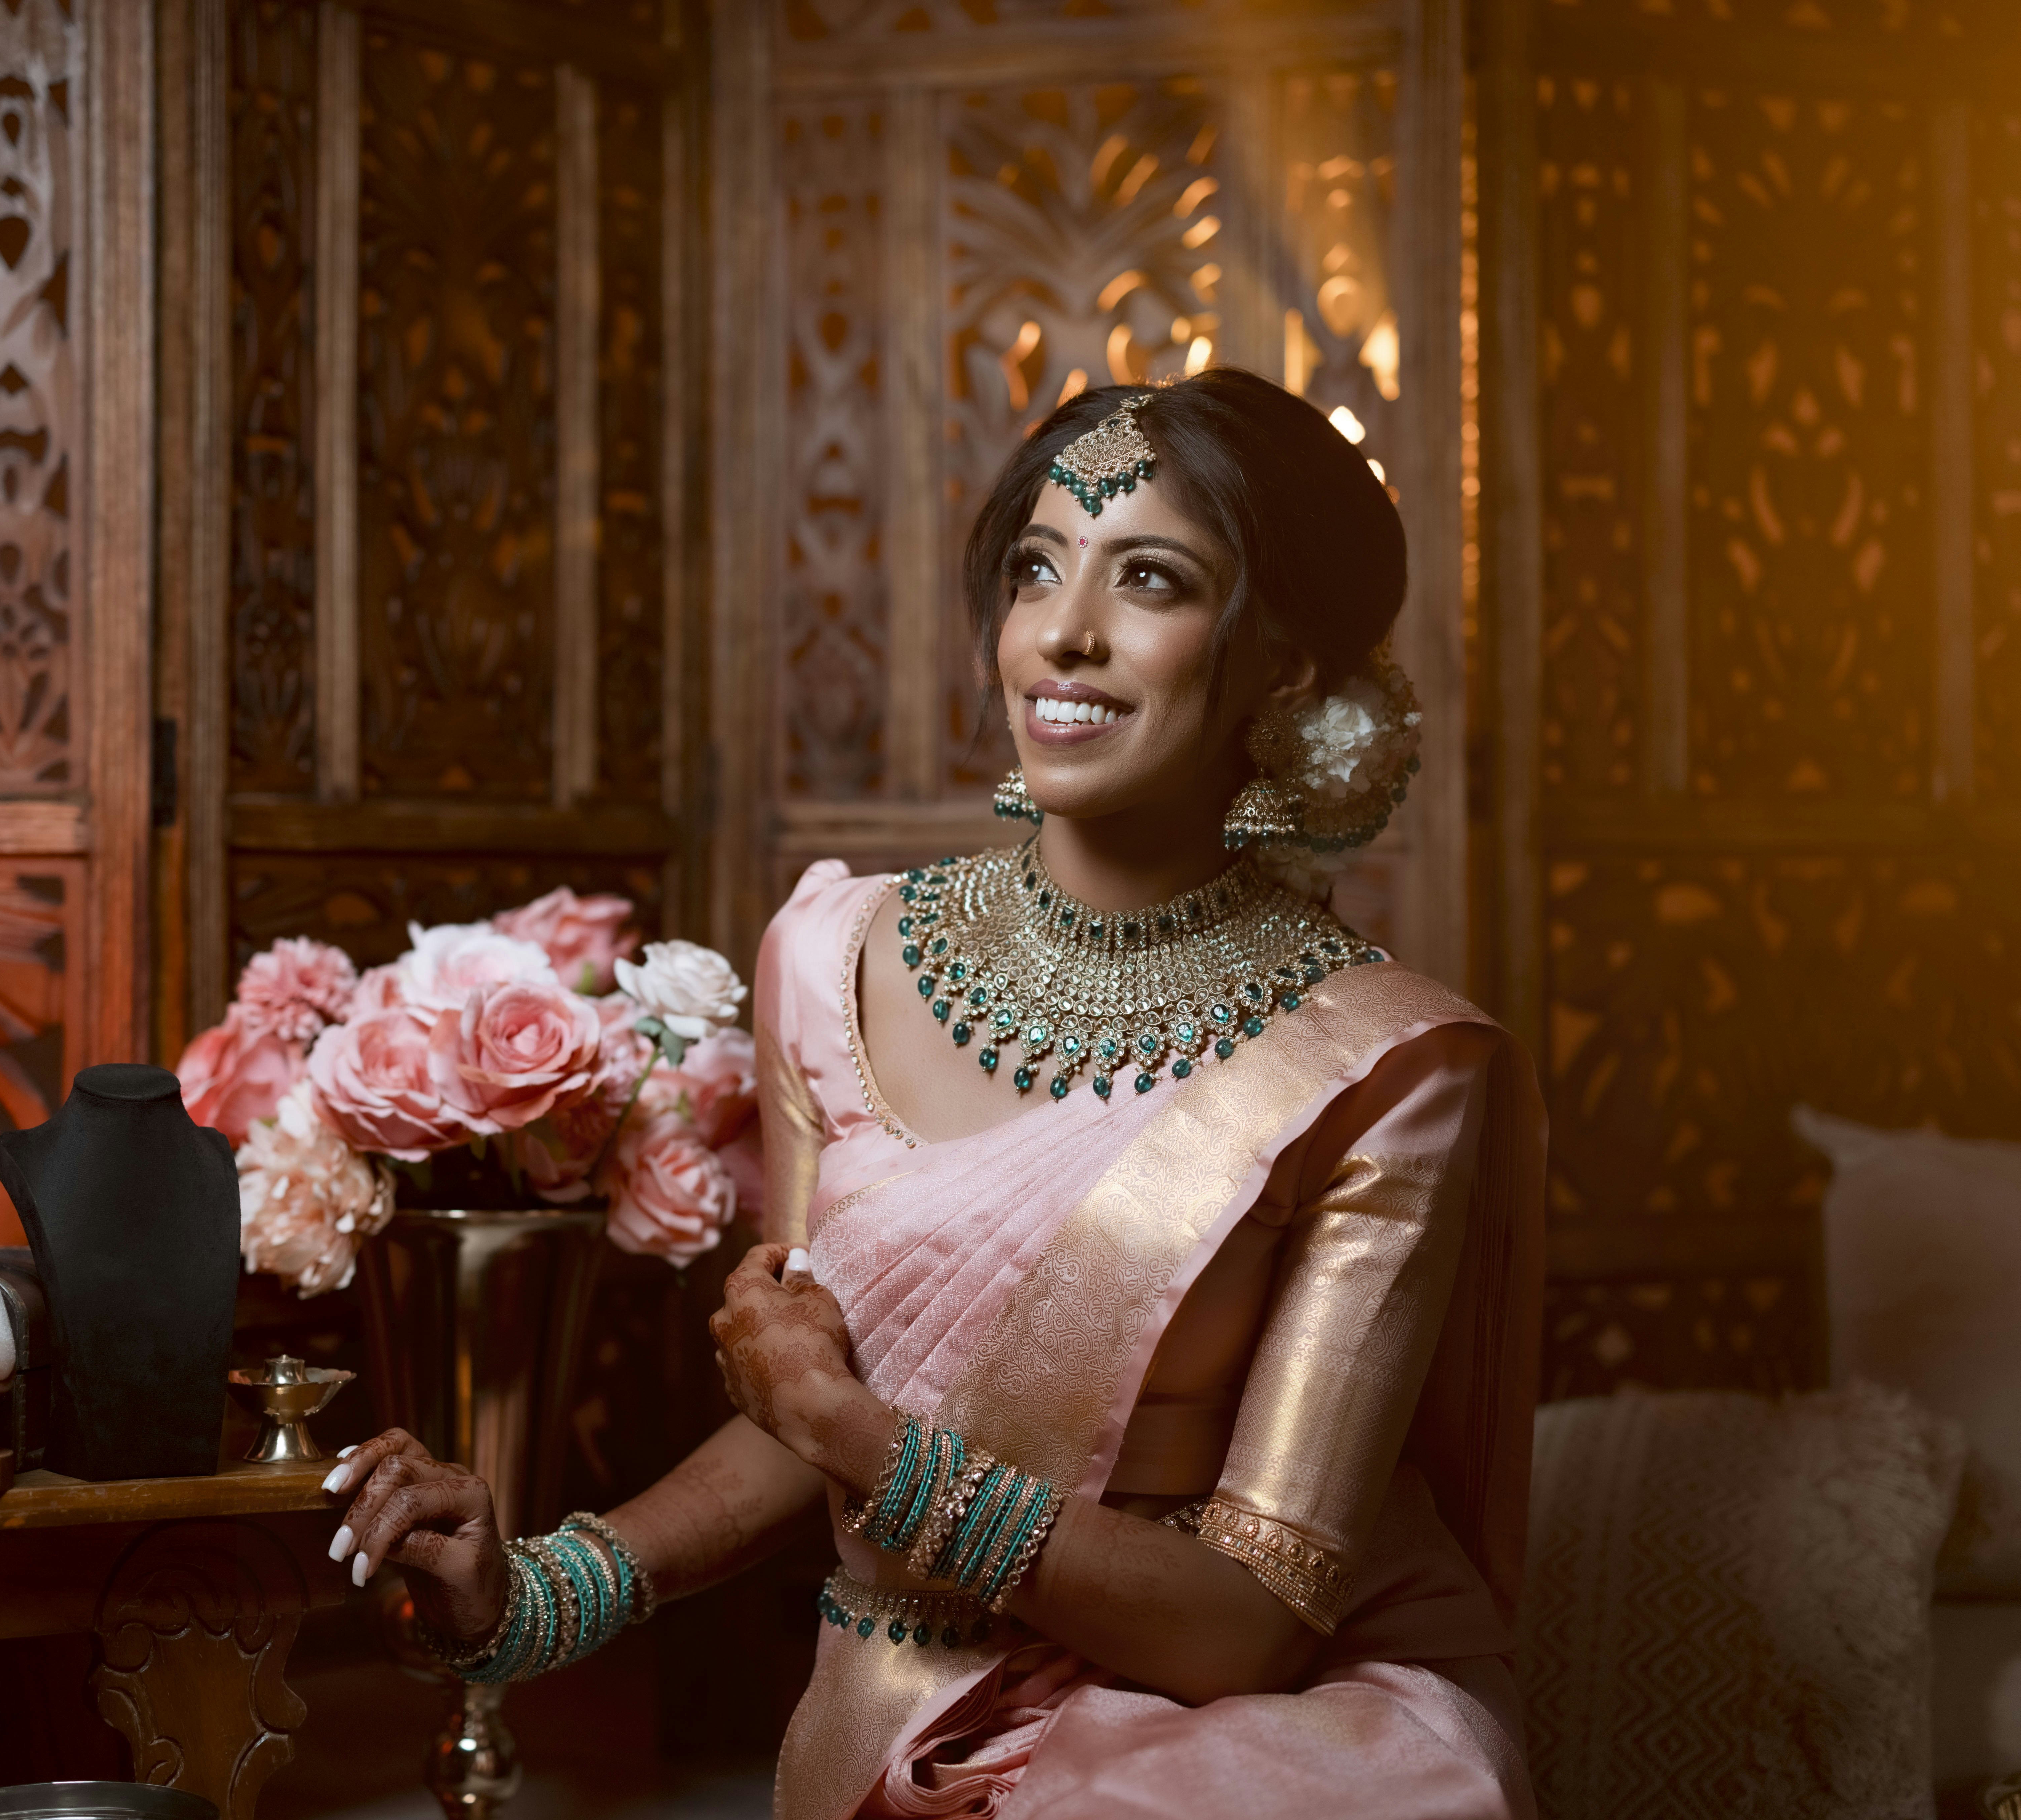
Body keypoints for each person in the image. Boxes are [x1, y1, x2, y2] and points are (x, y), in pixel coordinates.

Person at [325, 368, 1547, 1819]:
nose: (1061, 635)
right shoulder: (834, 959)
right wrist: (526, 1596)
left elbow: (1244, 1620)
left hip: (1261, 1743)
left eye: (1147, 579)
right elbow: (802, 1402)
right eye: (1036, 569)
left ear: (1283, 666)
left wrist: (859, 1442)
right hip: (906, 1718)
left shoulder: (1381, 1066)